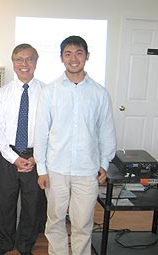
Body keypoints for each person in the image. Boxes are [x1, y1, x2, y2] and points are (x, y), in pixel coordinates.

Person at [34, 35, 117, 255]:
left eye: (79, 53)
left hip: (86, 170)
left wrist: (104, 164)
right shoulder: (50, 91)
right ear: (61, 58)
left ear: (87, 56)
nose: (74, 58)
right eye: (68, 53)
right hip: (55, 169)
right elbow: (41, 133)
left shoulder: (99, 93)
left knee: (83, 224)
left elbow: (106, 132)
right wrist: (41, 169)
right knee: (55, 221)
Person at [0, 44, 45, 255]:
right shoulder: (2, 94)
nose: (24, 64)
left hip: (36, 155)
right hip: (8, 155)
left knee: (32, 204)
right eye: (19, 59)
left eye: (29, 59)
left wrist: (36, 157)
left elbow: (50, 129)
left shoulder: (47, 92)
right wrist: (14, 158)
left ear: (36, 62)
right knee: (5, 202)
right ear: (13, 63)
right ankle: (4, 244)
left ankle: (25, 245)